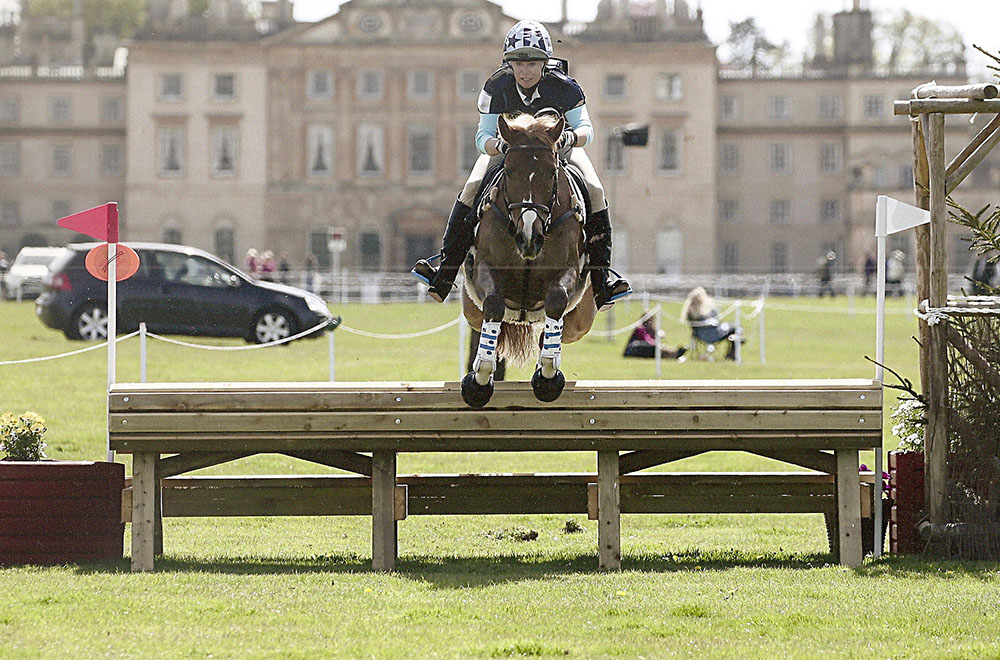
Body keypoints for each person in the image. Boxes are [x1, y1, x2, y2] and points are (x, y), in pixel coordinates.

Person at [411, 20, 630, 310]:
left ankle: (602, 283)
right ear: (510, 64)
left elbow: (586, 130)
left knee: (595, 190)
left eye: (532, 64)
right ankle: (445, 273)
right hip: (510, 151)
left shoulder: (565, 87)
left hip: (557, 149)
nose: (525, 71)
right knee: (471, 188)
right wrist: (501, 146)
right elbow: (482, 136)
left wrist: (568, 137)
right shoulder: (496, 86)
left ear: (544, 64)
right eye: (518, 64)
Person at [680, 287, 742, 360]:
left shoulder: (691, 311)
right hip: (713, 334)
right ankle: (732, 352)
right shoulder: (701, 310)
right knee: (736, 328)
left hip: (701, 335)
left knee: (734, 329)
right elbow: (715, 319)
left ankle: (733, 349)